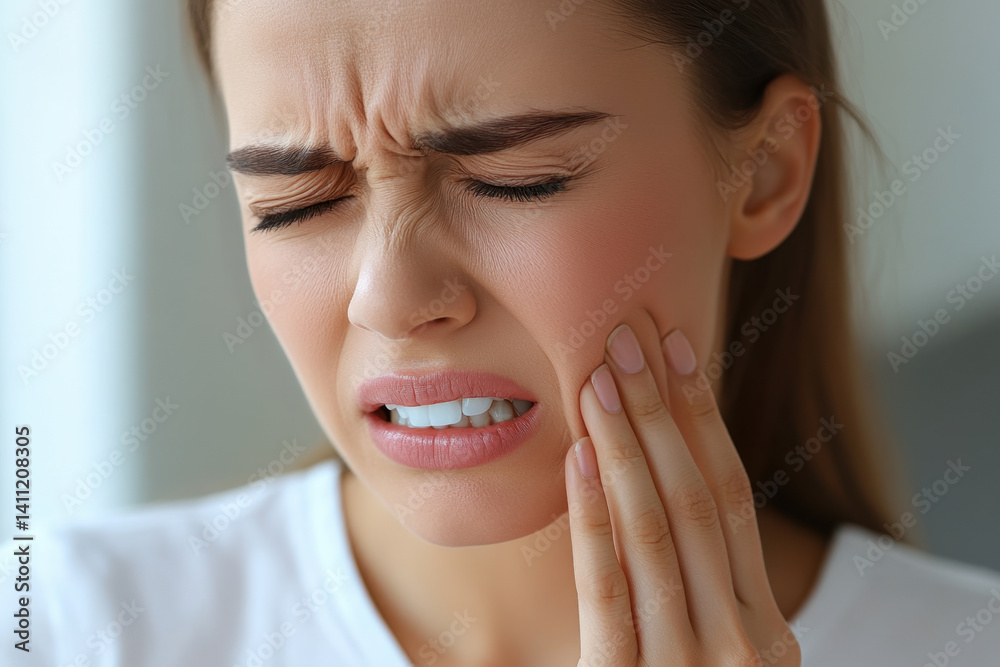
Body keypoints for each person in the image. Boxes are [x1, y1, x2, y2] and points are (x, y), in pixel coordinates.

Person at [7, 0, 1000, 665]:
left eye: (515, 180)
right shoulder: (60, 624)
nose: (390, 300)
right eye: (293, 202)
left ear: (768, 171)